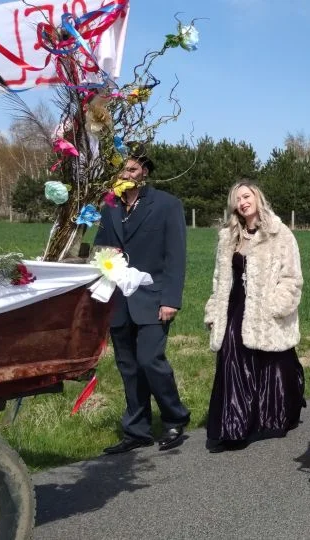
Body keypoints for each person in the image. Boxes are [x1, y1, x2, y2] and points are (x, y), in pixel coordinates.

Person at [94, 152, 192, 454]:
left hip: (153, 298)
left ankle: (175, 418)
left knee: (150, 360)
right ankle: (137, 430)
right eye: (122, 169)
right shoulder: (109, 207)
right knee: (128, 366)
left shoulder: (166, 205)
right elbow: (101, 250)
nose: (126, 174)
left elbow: (176, 255)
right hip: (118, 301)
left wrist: (170, 300)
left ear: (145, 172)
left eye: (132, 169)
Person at [202, 182, 305, 452]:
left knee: (275, 362)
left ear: (257, 198)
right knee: (232, 360)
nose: (242, 202)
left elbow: (292, 277)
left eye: (246, 196)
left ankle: (277, 416)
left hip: (264, 307)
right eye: (237, 199)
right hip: (234, 307)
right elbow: (219, 279)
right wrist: (214, 309)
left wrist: (275, 306)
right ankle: (233, 428)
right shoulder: (228, 236)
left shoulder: (279, 233)